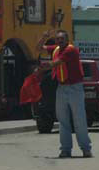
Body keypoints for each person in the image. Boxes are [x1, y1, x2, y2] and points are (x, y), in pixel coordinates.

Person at [36, 29, 93, 158]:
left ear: (67, 40)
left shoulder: (71, 50)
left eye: (62, 39)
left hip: (75, 88)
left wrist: (40, 68)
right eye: (58, 39)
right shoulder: (56, 49)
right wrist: (43, 37)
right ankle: (65, 150)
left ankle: (86, 149)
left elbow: (55, 63)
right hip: (61, 87)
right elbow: (38, 48)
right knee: (62, 121)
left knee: (79, 120)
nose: (60, 41)